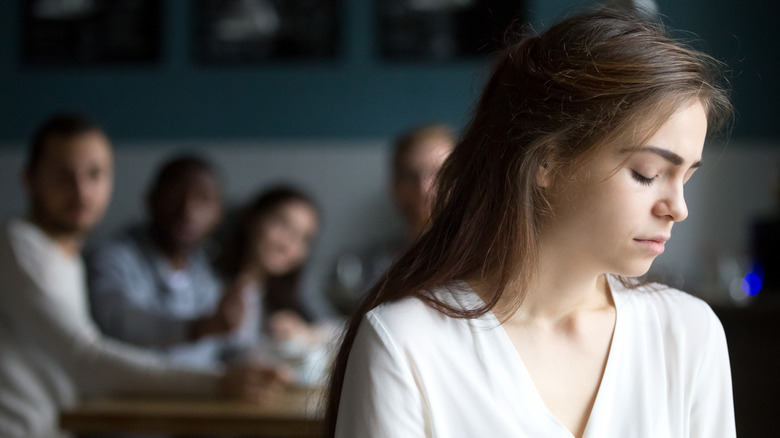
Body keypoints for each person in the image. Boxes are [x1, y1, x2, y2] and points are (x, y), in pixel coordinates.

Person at [326, 9, 735, 438]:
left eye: (687, 177)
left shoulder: (688, 333)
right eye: (648, 173)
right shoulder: (406, 343)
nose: (678, 207)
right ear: (547, 161)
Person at [0, 114, 290, 438]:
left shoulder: (67, 257)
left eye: (94, 175)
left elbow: (232, 345)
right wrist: (217, 382)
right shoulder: (18, 245)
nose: (81, 191)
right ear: (29, 179)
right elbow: (86, 355)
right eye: (63, 176)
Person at [85, 155, 245, 368]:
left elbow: (228, 348)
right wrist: (199, 328)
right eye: (175, 195)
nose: (187, 212)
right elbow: (119, 322)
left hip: (201, 397)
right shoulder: (112, 256)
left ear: (219, 214)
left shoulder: (205, 268)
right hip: (132, 397)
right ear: (151, 199)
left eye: (203, 199)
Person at [216, 186, 338, 384]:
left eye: (303, 238)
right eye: (282, 224)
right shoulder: (210, 285)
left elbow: (343, 331)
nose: (287, 245)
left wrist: (307, 334)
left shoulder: (297, 295)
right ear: (253, 219)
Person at [328, 124, 455, 314]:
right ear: (394, 186)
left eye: (439, 172)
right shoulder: (371, 266)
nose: (424, 188)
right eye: (410, 176)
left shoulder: (483, 260)